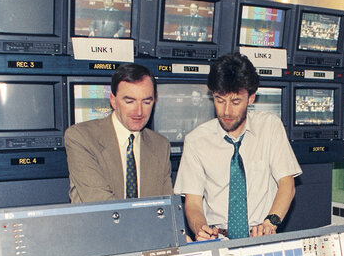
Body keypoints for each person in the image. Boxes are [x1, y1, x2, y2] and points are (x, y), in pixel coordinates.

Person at [174, 53, 301, 240]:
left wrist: (270, 222)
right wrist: (200, 228)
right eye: (220, 100)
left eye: (235, 102)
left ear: (250, 98)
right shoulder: (196, 141)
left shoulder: (270, 127)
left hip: (262, 235)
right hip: (218, 239)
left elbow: (287, 185)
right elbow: (193, 202)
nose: (226, 111)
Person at [64, 63, 172, 202]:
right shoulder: (81, 137)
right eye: (129, 101)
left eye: (146, 102)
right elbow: (100, 202)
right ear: (113, 101)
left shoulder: (160, 145)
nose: (139, 112)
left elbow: (167, 206)